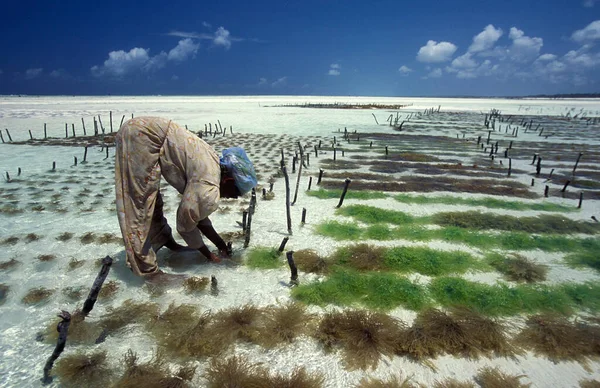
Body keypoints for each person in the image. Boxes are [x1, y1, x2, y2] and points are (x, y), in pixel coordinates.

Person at [114, 116, 256, 280]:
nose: (231, 198)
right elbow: (185, 224)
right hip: (141, 137)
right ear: (228, 180)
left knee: (152, 200)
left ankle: (164, 241)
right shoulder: (208, 186)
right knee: (139, 204)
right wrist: (208, 255)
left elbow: (198, 216)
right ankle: (147, 271)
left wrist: (220, 244)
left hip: (144, 129)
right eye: (233, 193)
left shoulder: (214, 163)